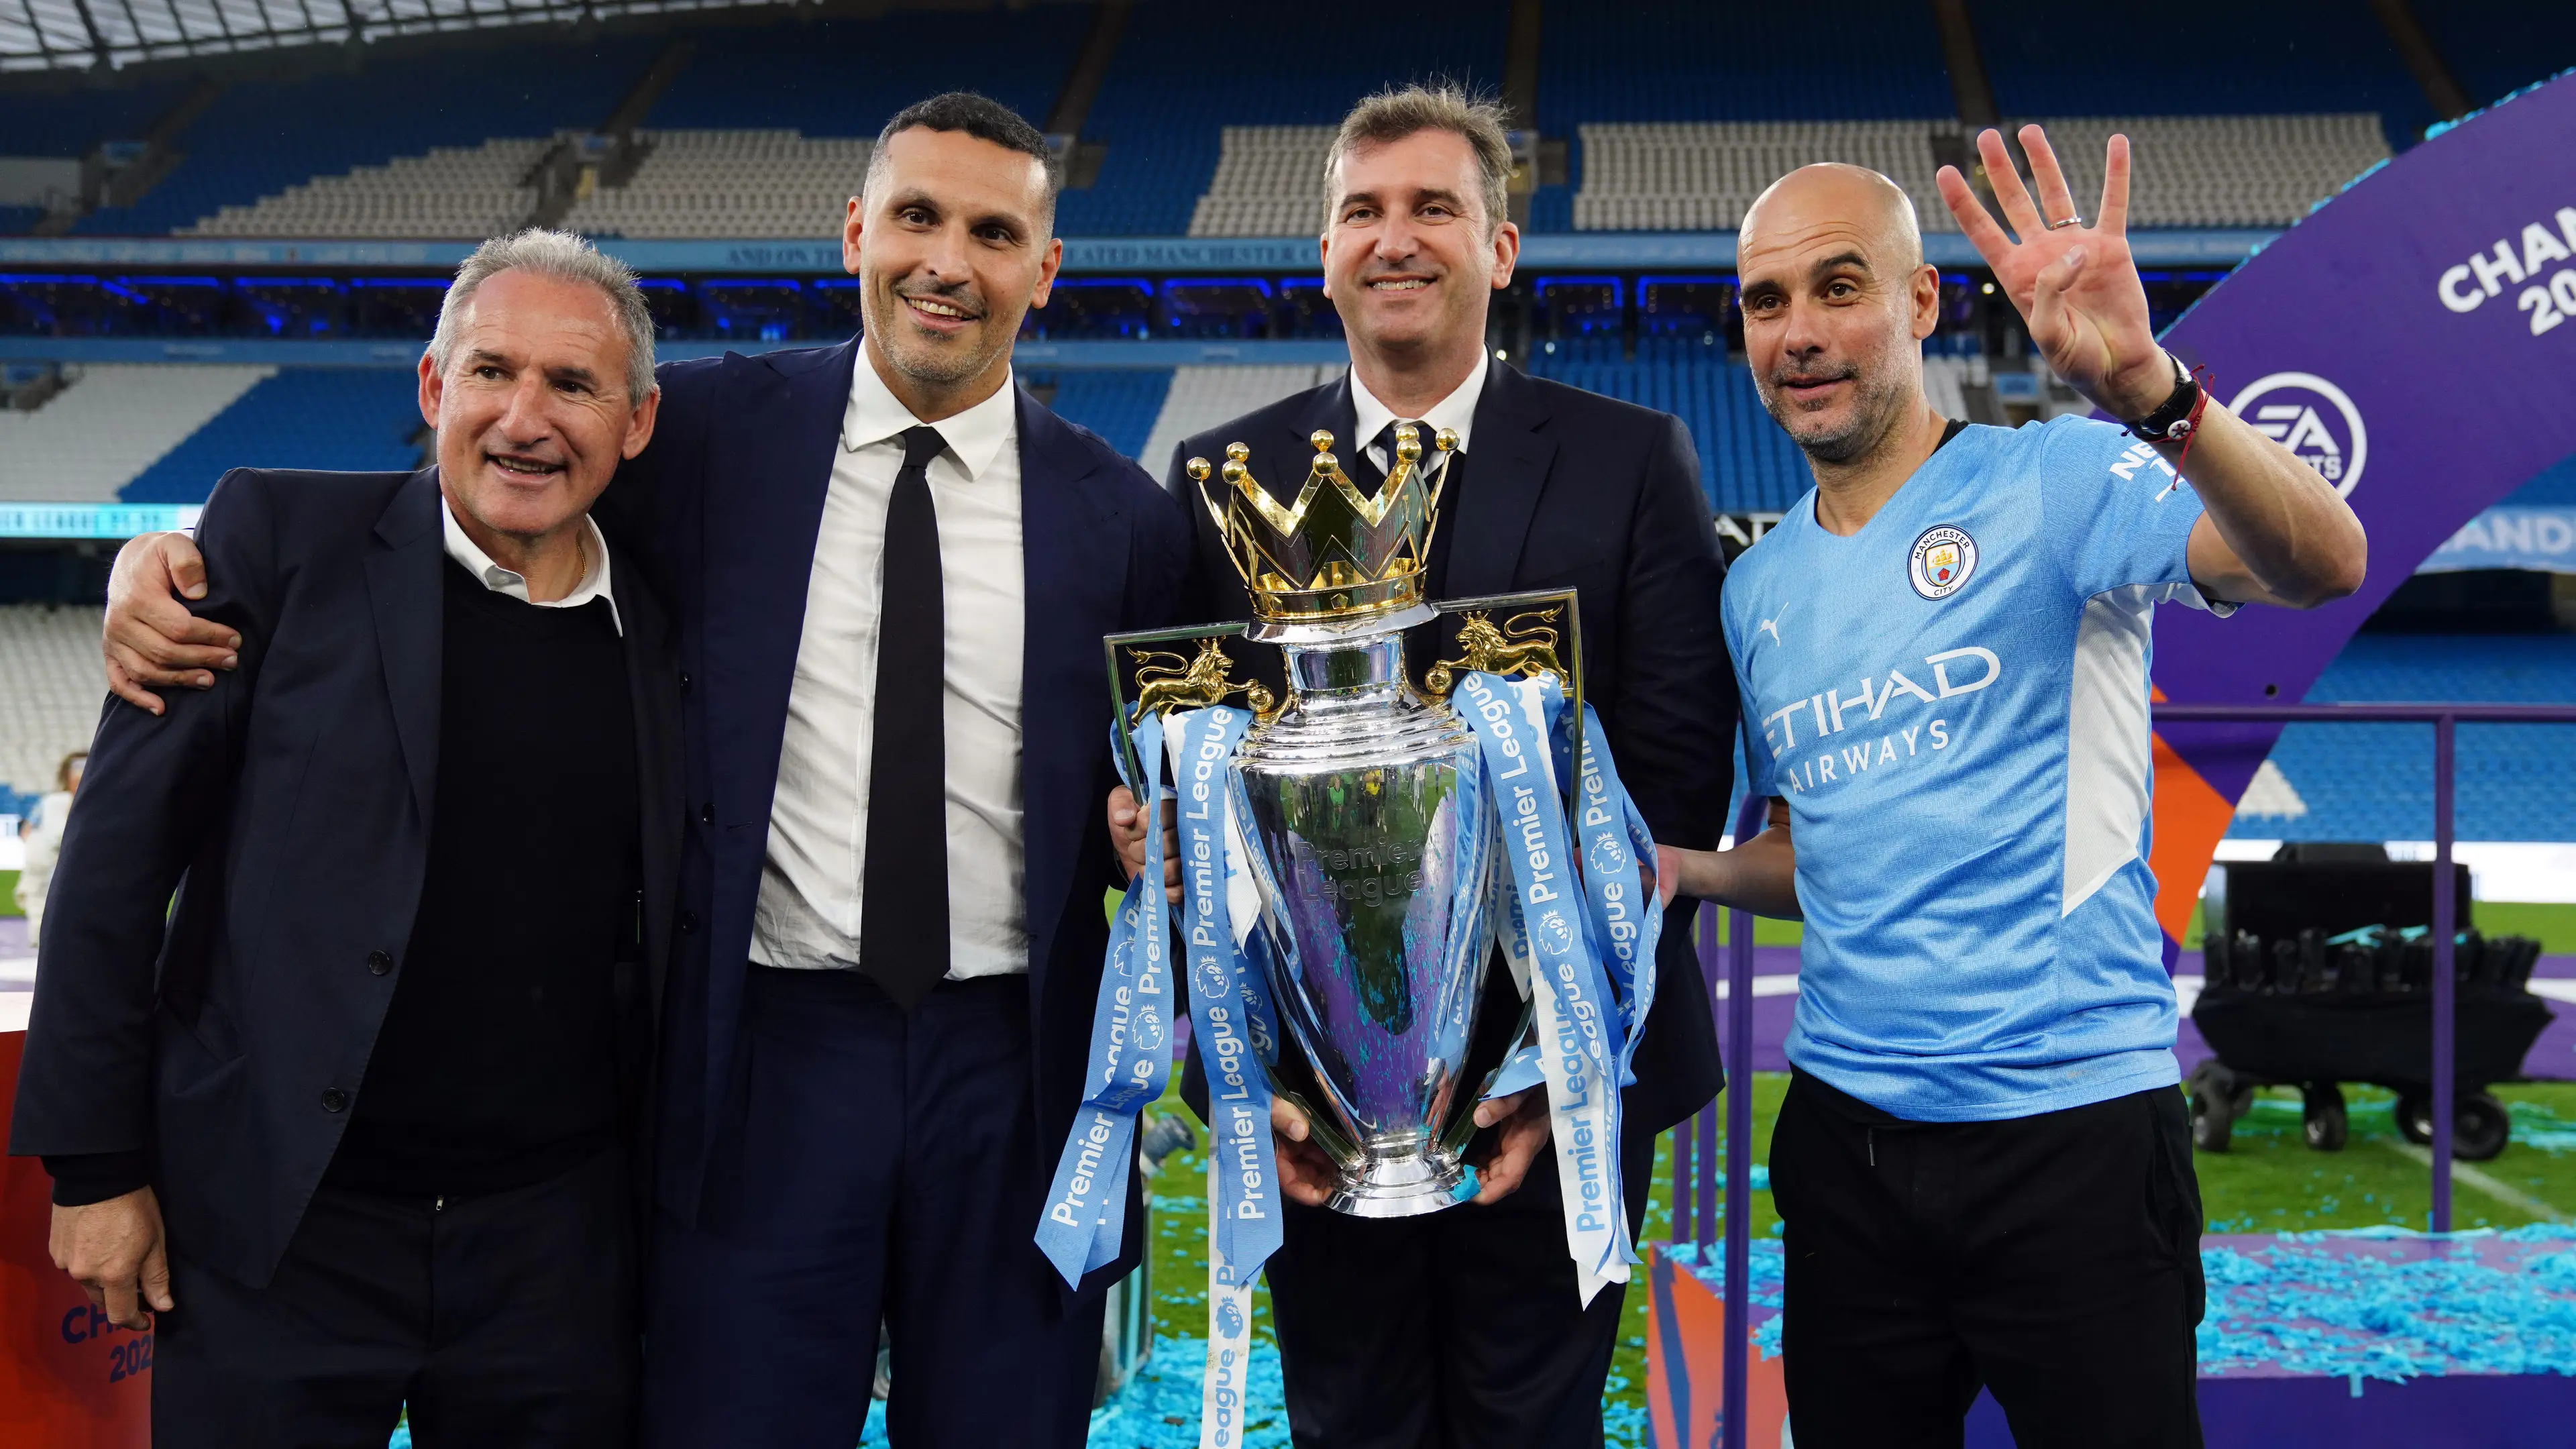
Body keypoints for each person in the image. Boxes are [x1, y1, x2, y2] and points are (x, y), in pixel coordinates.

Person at [99, 93, 1191, 1448]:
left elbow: (1194, 777)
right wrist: (168, 563)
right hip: (765, 1052)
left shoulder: (1131, 523)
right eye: (915, 217)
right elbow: (479, 471)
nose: (946, 263)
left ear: (1046, 267)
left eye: (992, 231)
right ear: (857, 231)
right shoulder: (711, 438)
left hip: (1014, 1062)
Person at [1656, 133, 2367, 1447]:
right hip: (1847, 1149)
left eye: (1839, 287)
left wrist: (2153, 387)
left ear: (1920, 305)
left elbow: (2325, 559)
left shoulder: (2056, 479)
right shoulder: (1755, 589)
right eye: (1768, 302)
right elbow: (1816, 857)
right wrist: (1686, 872)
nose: (1799, 333)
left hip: (2076, 1142)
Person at [1114, 84, 1734, 1448]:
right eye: (1363, 212)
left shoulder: (1634, 463)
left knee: (1533, 1424)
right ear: (1325, 253)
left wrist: (1540, 1072)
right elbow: (1189, 806)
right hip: (1307, 1106)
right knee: (1348, 1421)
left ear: (1500, 248)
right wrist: (1257, 1072)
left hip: (1564, 1083)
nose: (1395, 239)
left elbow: (1672, 791)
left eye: (1434, 208)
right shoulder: (1218, 475)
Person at [12, 229, 682, 1446]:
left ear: (635, 423)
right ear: (434, 388)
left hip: (553, 1250)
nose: (524, 417)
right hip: (278, 1227)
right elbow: (113, 867)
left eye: (572, 386)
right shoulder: (276, 543)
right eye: (491, 372)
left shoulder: (669, 615)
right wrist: (94, 1168)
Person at [13, 749, 83, 952]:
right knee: (41, 901)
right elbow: (42, 833)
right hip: (48, 859)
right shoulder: (55, 801)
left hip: (55, 859)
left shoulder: (55, 800)